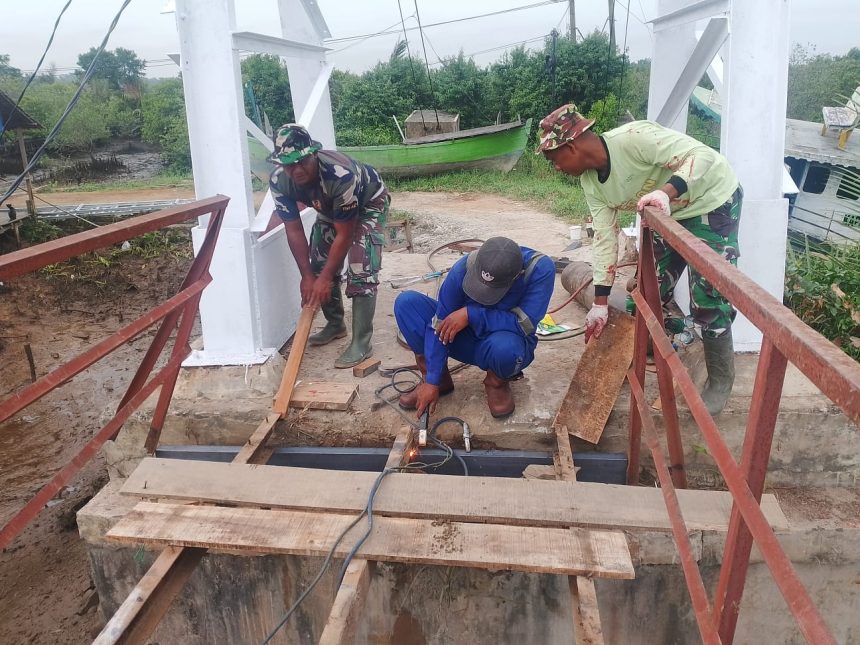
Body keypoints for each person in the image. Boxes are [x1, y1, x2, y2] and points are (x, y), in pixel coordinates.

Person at [538, 104, 743, 415]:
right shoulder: (591, 183)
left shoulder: (634, 138)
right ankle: (656, 344)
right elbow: (606, 239)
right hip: (666, 215)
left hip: (710, 202)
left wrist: (666, 191)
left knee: (710, 298)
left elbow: (705, 159)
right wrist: (601, 303)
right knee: (646, 293)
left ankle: (720, 382)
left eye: (555, 159)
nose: (556, 168)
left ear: (573, 145)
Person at [268, 124, 390, 368]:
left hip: (368, 204)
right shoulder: (280, 181)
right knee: (319, 263)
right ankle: (336, 325)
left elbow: (344, 234)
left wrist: (323, 279)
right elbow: (293, 230)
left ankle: (361, 342)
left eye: (302, 161)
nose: (297, 169)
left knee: (361, 264)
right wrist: (308, 276)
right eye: (289, 164)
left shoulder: (340, 174)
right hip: (328, 208)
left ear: (313, 154)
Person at [393, 236, 555, 418]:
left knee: (506, 349)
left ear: (516, 276)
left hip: (499, 342)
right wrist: (431, 380)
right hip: (460, 337)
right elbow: (439, 322)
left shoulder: (539, 269)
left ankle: (496, 382)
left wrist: (472, 314)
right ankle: (439, 380)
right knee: (407, 304)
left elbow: (525, 324)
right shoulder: (464, 267)